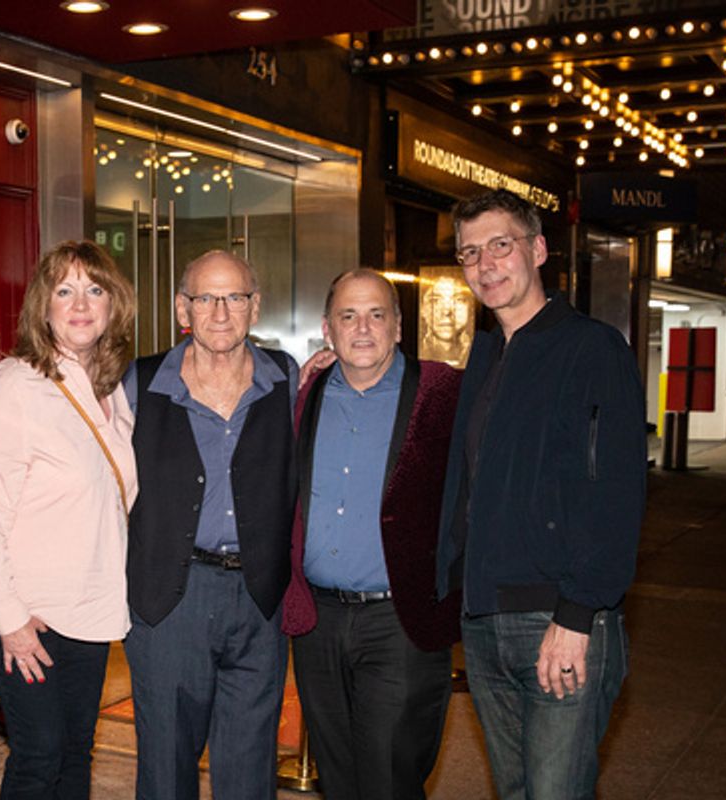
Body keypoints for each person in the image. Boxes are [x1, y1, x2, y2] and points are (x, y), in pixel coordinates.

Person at [436, 189, 647, 799]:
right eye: (469, 253)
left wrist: (577, 613)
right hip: (484, 624)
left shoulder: (592, 348)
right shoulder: (485, 355)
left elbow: (618, 492)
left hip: (558, 619)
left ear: (538, 250)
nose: (485, 265)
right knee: (518, 792)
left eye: (500, 246)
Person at [281, 269, 462, 800]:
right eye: (348, 316)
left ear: (399, 326)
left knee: (389, 776)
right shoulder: (302, 394)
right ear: (326, 329)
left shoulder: (442, 392)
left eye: (377, 314)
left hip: (399, 621)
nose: (363, 328)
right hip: (317, 621)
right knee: (337, 778)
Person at [124, 250, 298, 800]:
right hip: (170, 599)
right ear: (183, 307)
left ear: (255, 306)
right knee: (165, 767)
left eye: (235, 297)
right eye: (205, 297)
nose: (221, 312)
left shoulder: (288, 380)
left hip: (258, 599)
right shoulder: (137, 384)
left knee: (250, 771)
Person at [0, 240, 137, 798]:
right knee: (38, 758)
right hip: (28, 615)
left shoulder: (111, 392)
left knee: (73, 754)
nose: (81, 303)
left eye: (95, 289)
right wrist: (9, 618)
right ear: (43, 307)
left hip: (89, 611)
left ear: (115, 305)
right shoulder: (14, 387)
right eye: (64, 290)